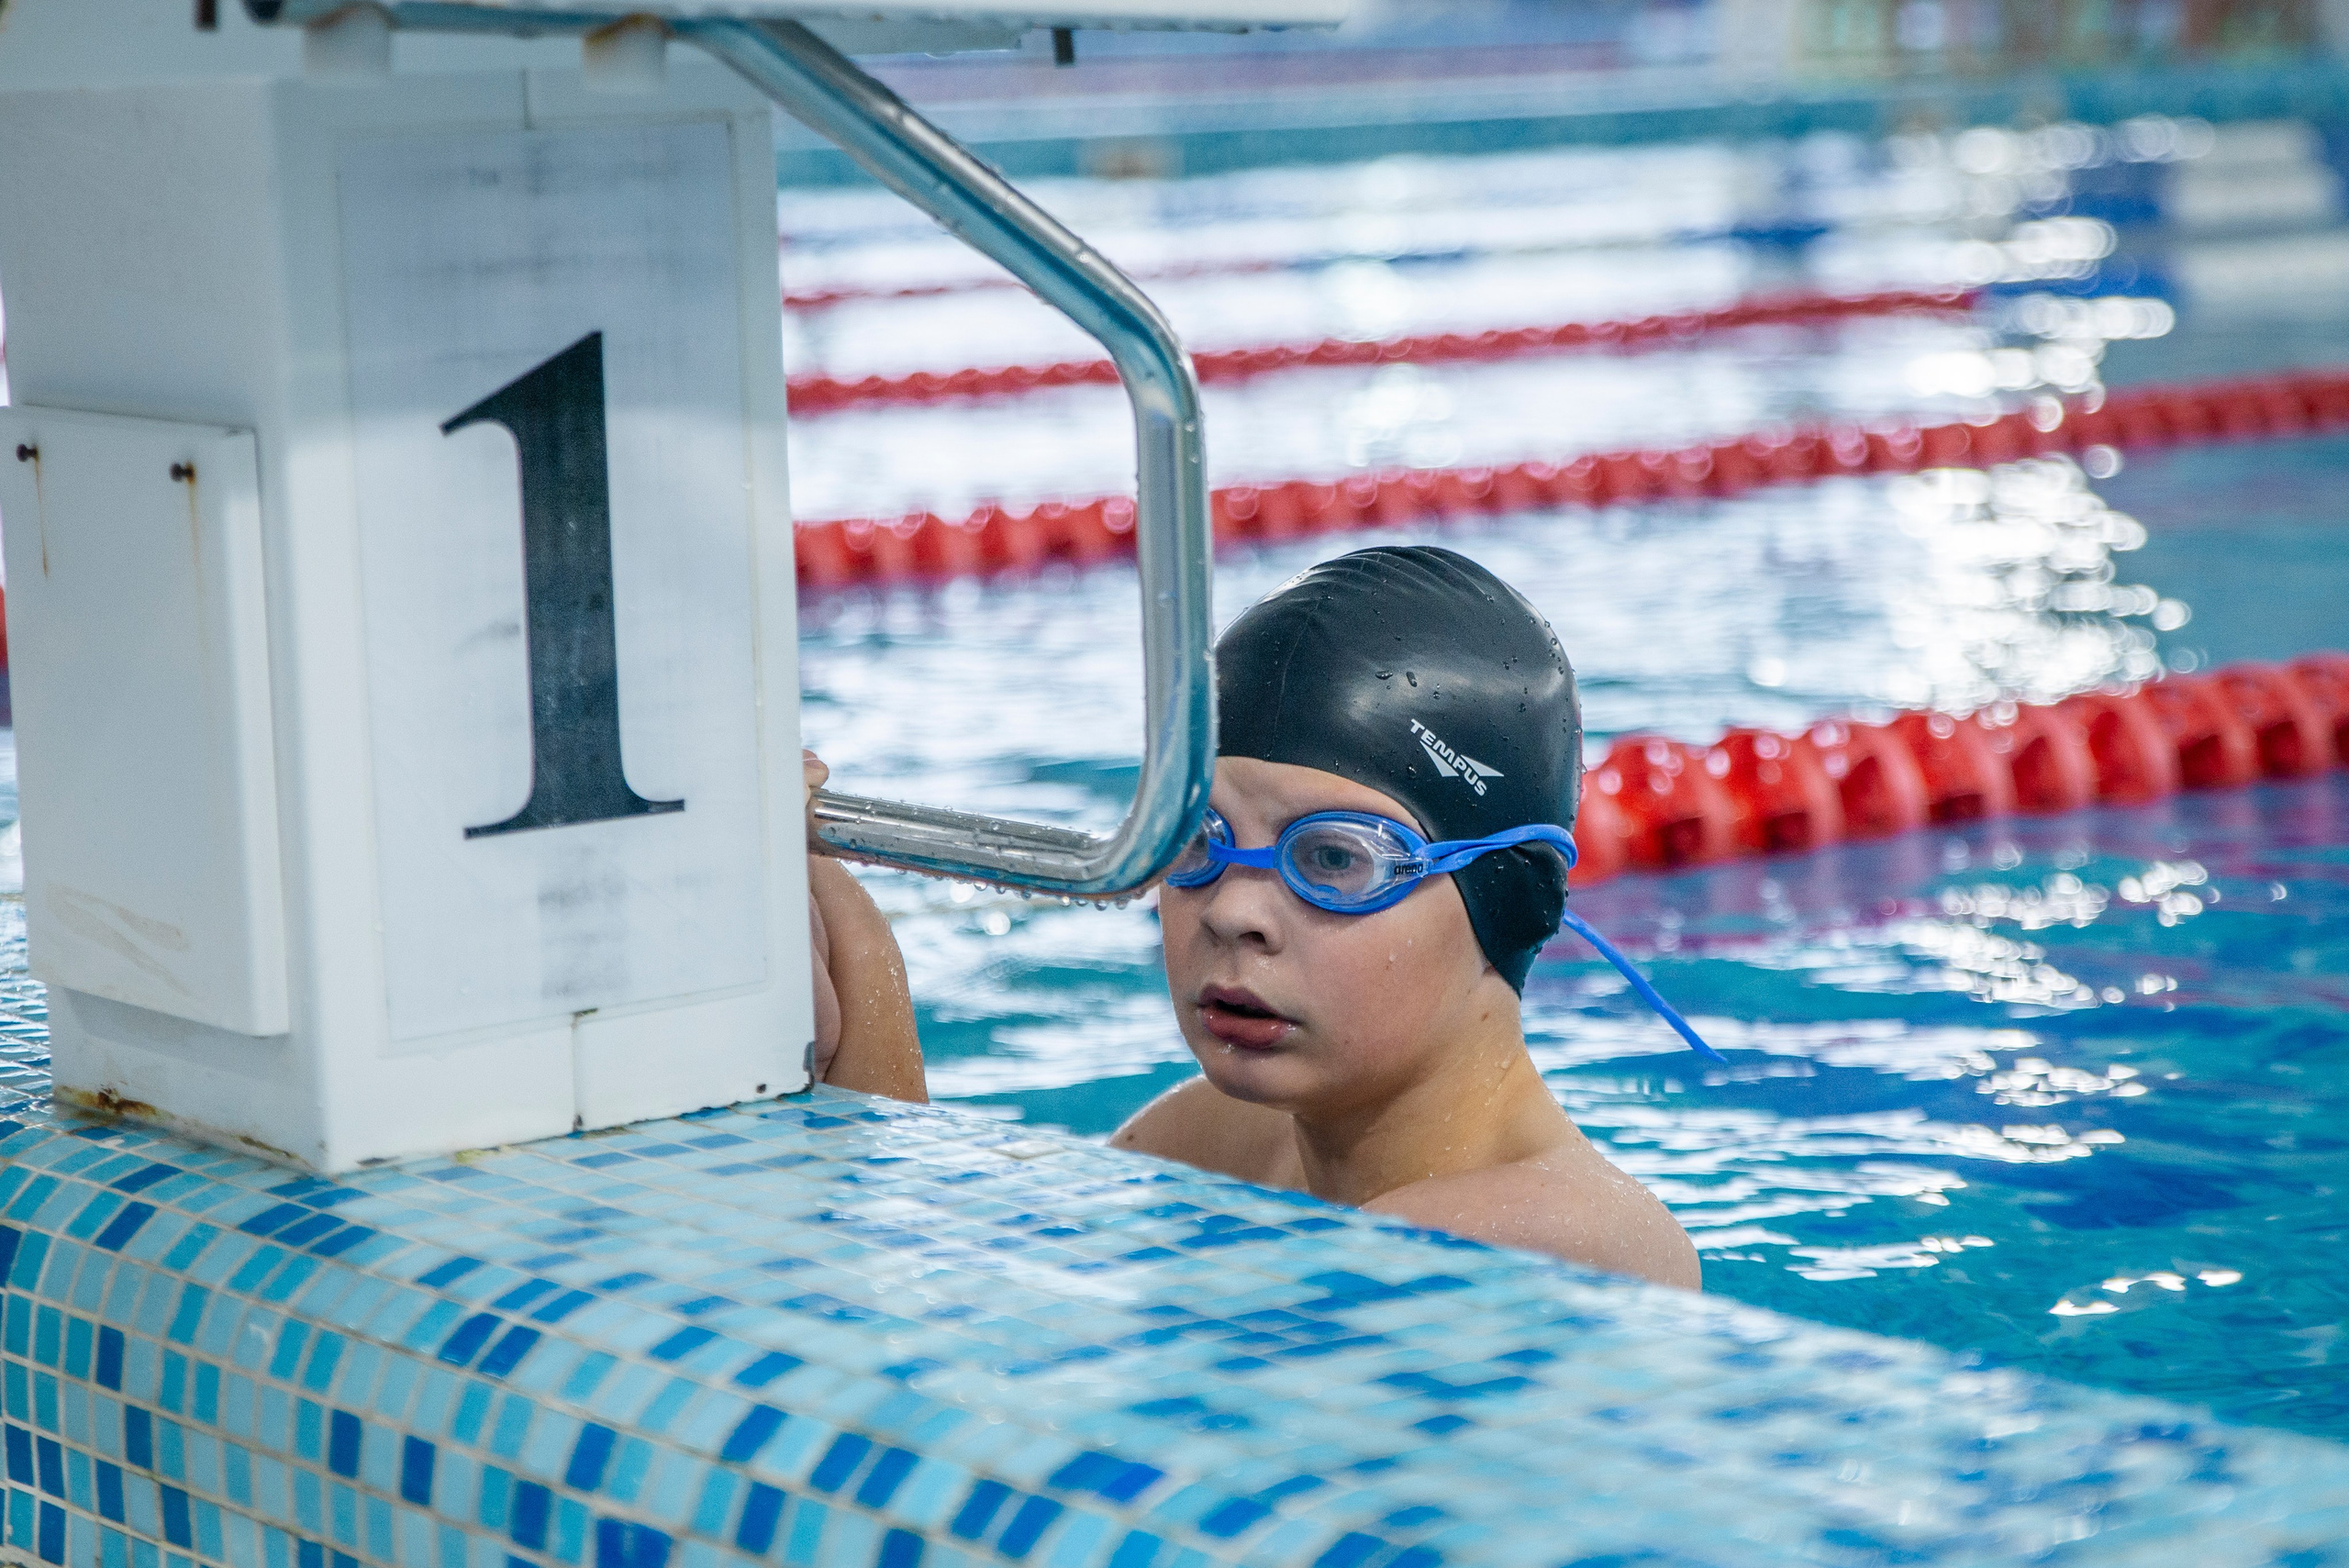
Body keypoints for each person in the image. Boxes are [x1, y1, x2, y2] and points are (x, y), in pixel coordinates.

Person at [803, 546, 1708, 1289]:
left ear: (1504, 898)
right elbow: (963, 1275)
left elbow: (975, 1348)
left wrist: (859, 954)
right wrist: (830, 921)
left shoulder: (1548, 1235)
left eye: (1332, 860)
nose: (1235, 910)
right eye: (1198, 839)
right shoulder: (1212, 1137)